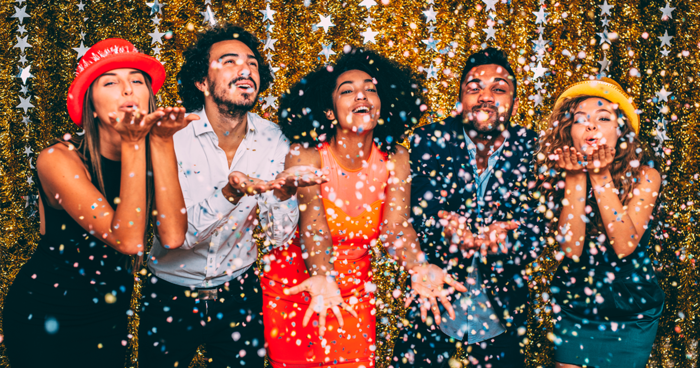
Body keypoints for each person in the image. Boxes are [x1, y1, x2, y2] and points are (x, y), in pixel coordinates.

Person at [261, 48, 466, 368]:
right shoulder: (307, 155)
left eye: (371, 89)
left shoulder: (396, 157)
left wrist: (418, 265)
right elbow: (313, 226)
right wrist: (324, 277)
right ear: (329, 112)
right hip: (295, 287)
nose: (362, 95)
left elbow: (396, 226)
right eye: (348, 90)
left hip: (355, 291)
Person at [137, 23, 321, 368]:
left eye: (252, 63)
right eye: (229, 61)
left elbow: (279, 235)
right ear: (202, 82)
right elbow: (179, 236)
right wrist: (231, 192)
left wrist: (283, 194)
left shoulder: (275, 139)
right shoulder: (171, 139)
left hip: (239, 295)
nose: (245, 70)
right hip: (169, 296)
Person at [3, 38, 192, 367]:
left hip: (108, 315)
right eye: (110, 82)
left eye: (136, 80)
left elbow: (173, 237)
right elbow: (128, 239)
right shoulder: (57, 160)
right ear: (90, 103)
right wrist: (134, 144)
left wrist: (162, 142)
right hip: (46, 312)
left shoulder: (152, 153)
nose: (127, 90)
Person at [393, 47, 542, 367]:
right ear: (460, 100)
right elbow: (411, 214)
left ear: (514, 103)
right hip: (432, 305)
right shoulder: (428, 140)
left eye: (498, 88)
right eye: (474, 88)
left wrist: (509, 239)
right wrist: (442, 227)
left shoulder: (532, 147)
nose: (486, 96)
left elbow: (540, 225)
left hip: (501, 313)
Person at [537, 78, 664, 368]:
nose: (590, 126)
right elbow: (571, 249)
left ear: (621, 131)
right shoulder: (559, 174)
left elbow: (623, 246)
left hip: (632, 308)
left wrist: (599, 173)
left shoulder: (645, 175)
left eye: (603, 118)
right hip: (577, 302)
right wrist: (575, 176)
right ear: (569, 132)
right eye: (580, 120)